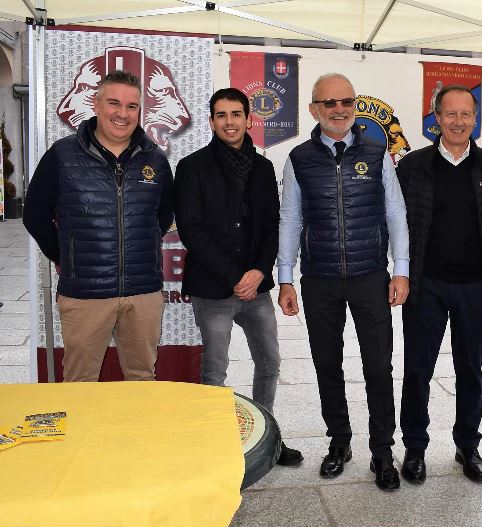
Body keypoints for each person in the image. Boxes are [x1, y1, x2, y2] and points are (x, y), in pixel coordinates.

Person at [277, 73, 410, 491]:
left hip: (371, 276)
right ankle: (339, 442)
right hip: (320, 280)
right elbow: (291, 219)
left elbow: (395, 214)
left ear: (354, 105)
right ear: (314, 109)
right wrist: (286, 277)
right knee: (326, 366)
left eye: (346, 101)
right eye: (329, 102)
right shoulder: (298, 159)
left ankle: (383, 450)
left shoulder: (379, 153)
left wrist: (401, 269)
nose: (339, 109)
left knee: (378, 368)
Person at [173, 88, 302, 467]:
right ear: (212, 121)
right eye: (221, 115)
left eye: (236, 114)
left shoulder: (263, 168)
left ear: (249, 119)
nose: (229, 122)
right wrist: (236, 277)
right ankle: (214, 445)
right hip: (214, 289)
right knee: (215, 370)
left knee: (270, 364)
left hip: (257, 288)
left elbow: (271, 225)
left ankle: (266, 442)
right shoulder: (192, 167)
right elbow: (192, 231)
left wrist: (260, 270)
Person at [23, 70, 172, 382]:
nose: (122, 114)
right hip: (84, 294)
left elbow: (162, 215)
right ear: (96, 103)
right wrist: (67, 256)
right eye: (114, 103)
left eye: (132, 106)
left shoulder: (155, 159)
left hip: (143, 292)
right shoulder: (62, 155)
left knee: (142, 379)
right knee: (80, 383)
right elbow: (35, 214)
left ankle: (136, 433)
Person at [396, 85, 482, 485]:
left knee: (470, 370)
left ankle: (467, 445)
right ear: (436, 118)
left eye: (466, 114)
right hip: (426, 287)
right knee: (418, 370)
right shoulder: (412, 167)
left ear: (475, 119)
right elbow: (396, 227)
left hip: (474, 288)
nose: (459, 121)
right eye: (450, 114)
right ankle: (414, 446)